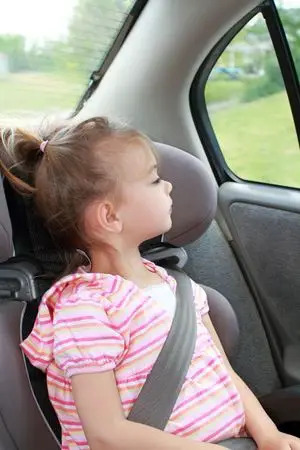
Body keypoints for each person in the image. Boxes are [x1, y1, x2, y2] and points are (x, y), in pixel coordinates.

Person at [0, 117, 299, 450]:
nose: (169, 186)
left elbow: (225, 373)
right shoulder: (85, 310)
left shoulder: (177, 287)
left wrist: (268, 434)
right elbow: (106, 434)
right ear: (110, 216)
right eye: (155, 180)